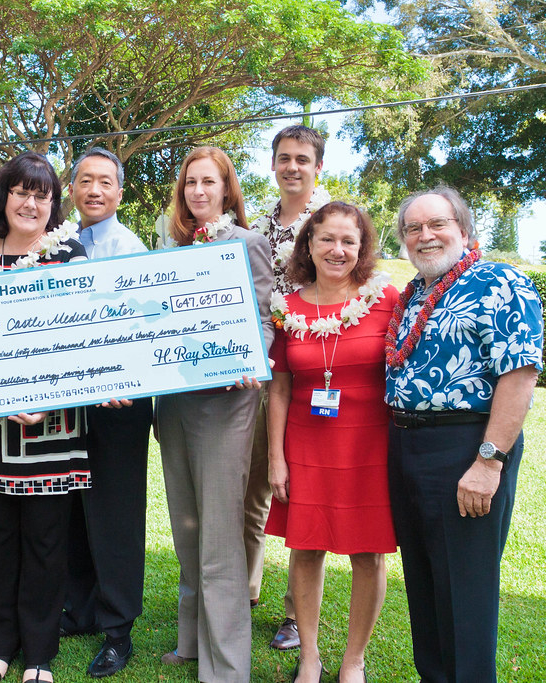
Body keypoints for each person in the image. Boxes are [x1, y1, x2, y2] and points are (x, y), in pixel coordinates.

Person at [386, 187, 542, 683]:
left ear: (464, 229)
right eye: (414, 229)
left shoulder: (499, 281)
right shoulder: (416, 292)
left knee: (465, 592)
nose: (425, 236)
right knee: (427, 584)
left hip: (466, 448)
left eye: (437, 225)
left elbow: (519, 375)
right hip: (407, 446)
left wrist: (489, 460)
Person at [0, 151, 89, 683]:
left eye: (43, 195)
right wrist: (2, 396)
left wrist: (47, 400)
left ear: (54, 205)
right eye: (21, 192)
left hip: (53, 427)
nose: (31, 203)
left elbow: (83, 341)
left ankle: (38, 652)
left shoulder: (70, 256)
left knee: (46, 539)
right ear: (3, 196)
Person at [264, 202, 398, 683]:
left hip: (369, 447)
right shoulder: (289, 308)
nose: (337, 250)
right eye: (327, 239)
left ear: (362, 249)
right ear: (309, 244)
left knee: (369, 553)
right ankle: (310, 658)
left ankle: (353, 662)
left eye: (349, 241)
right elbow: (279, 387)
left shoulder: (387, 299)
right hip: (305, 443)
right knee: (306, 549)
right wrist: (276, 460)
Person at [155, 146, 273, 683]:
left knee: (221, 535)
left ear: (227, 190)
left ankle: (225, 667)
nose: (198, 192)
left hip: (228, 403)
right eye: (190, 183)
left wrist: (252, 356)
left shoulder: (248, 242)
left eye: (209, 182)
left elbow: (265, 318)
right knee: (187, 525)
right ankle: (189, 641)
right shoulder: (168, 249)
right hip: (175, 403)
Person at [60, 147, 153, 678]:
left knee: (115, 510)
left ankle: (119, 628)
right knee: (74, 504)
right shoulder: (62, 244)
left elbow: (141, 323)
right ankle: (82, 609)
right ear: (72, 189)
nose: (94, 190)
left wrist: (121, 376)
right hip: (74, 397)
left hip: (121, 398)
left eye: (105, 183)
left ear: (119, 193)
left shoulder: (129, 247)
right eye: (85, 181)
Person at [248, 124, 330, 651]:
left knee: (304, 496)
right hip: (259, 375)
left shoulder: (333, 223)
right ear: (273, 165)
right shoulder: (255, 229)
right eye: (284, 158)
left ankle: (295, 615)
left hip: (315, 374)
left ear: (318, 167)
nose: (292, 167)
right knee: (253, 488)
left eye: (303, 159)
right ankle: (243, 589)